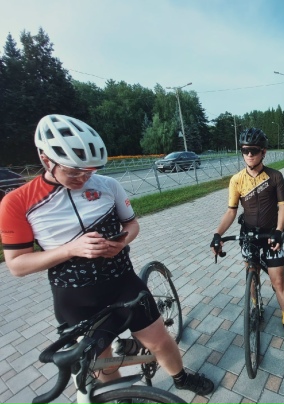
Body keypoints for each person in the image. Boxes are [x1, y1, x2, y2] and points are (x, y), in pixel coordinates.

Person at [0, 115, 214, 397]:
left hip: (122, 281)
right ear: (45, 159)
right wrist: (70, 249)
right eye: (74, 172)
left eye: (90, 171)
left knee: (160, 341)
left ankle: (181, 377)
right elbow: (17, 265)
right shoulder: (17, 202)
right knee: (102, 362)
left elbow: (132, 225)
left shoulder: (108, 185)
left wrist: (122, 242)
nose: (83, 178)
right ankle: (121, 395)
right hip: (76, 296)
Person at [210, 127, 284, 349]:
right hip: (248, 235)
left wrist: (279, 230)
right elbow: (231, 211)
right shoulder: (236, 180)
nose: (249, 154)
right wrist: (217, 234)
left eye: (254, 150)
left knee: (278, 280)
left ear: (263, 152)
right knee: (252, 274)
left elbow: (283, 207)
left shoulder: (275, 176)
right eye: (245, 150)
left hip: (270, 235)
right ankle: (256, 307)